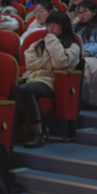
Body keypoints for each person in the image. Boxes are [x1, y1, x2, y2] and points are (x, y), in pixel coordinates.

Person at [20, 12, 80, 148]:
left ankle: (37, 133)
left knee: (26, 90)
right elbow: (30, 64)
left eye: (55, 25)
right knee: (12, 88)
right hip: (33, 77)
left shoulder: (73, 47)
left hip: (52, 81)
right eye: (48, 25)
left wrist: (52, 40)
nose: (51, 28)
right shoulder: (37, 44)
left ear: (64, 26)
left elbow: (59, 63)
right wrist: (51, 64)